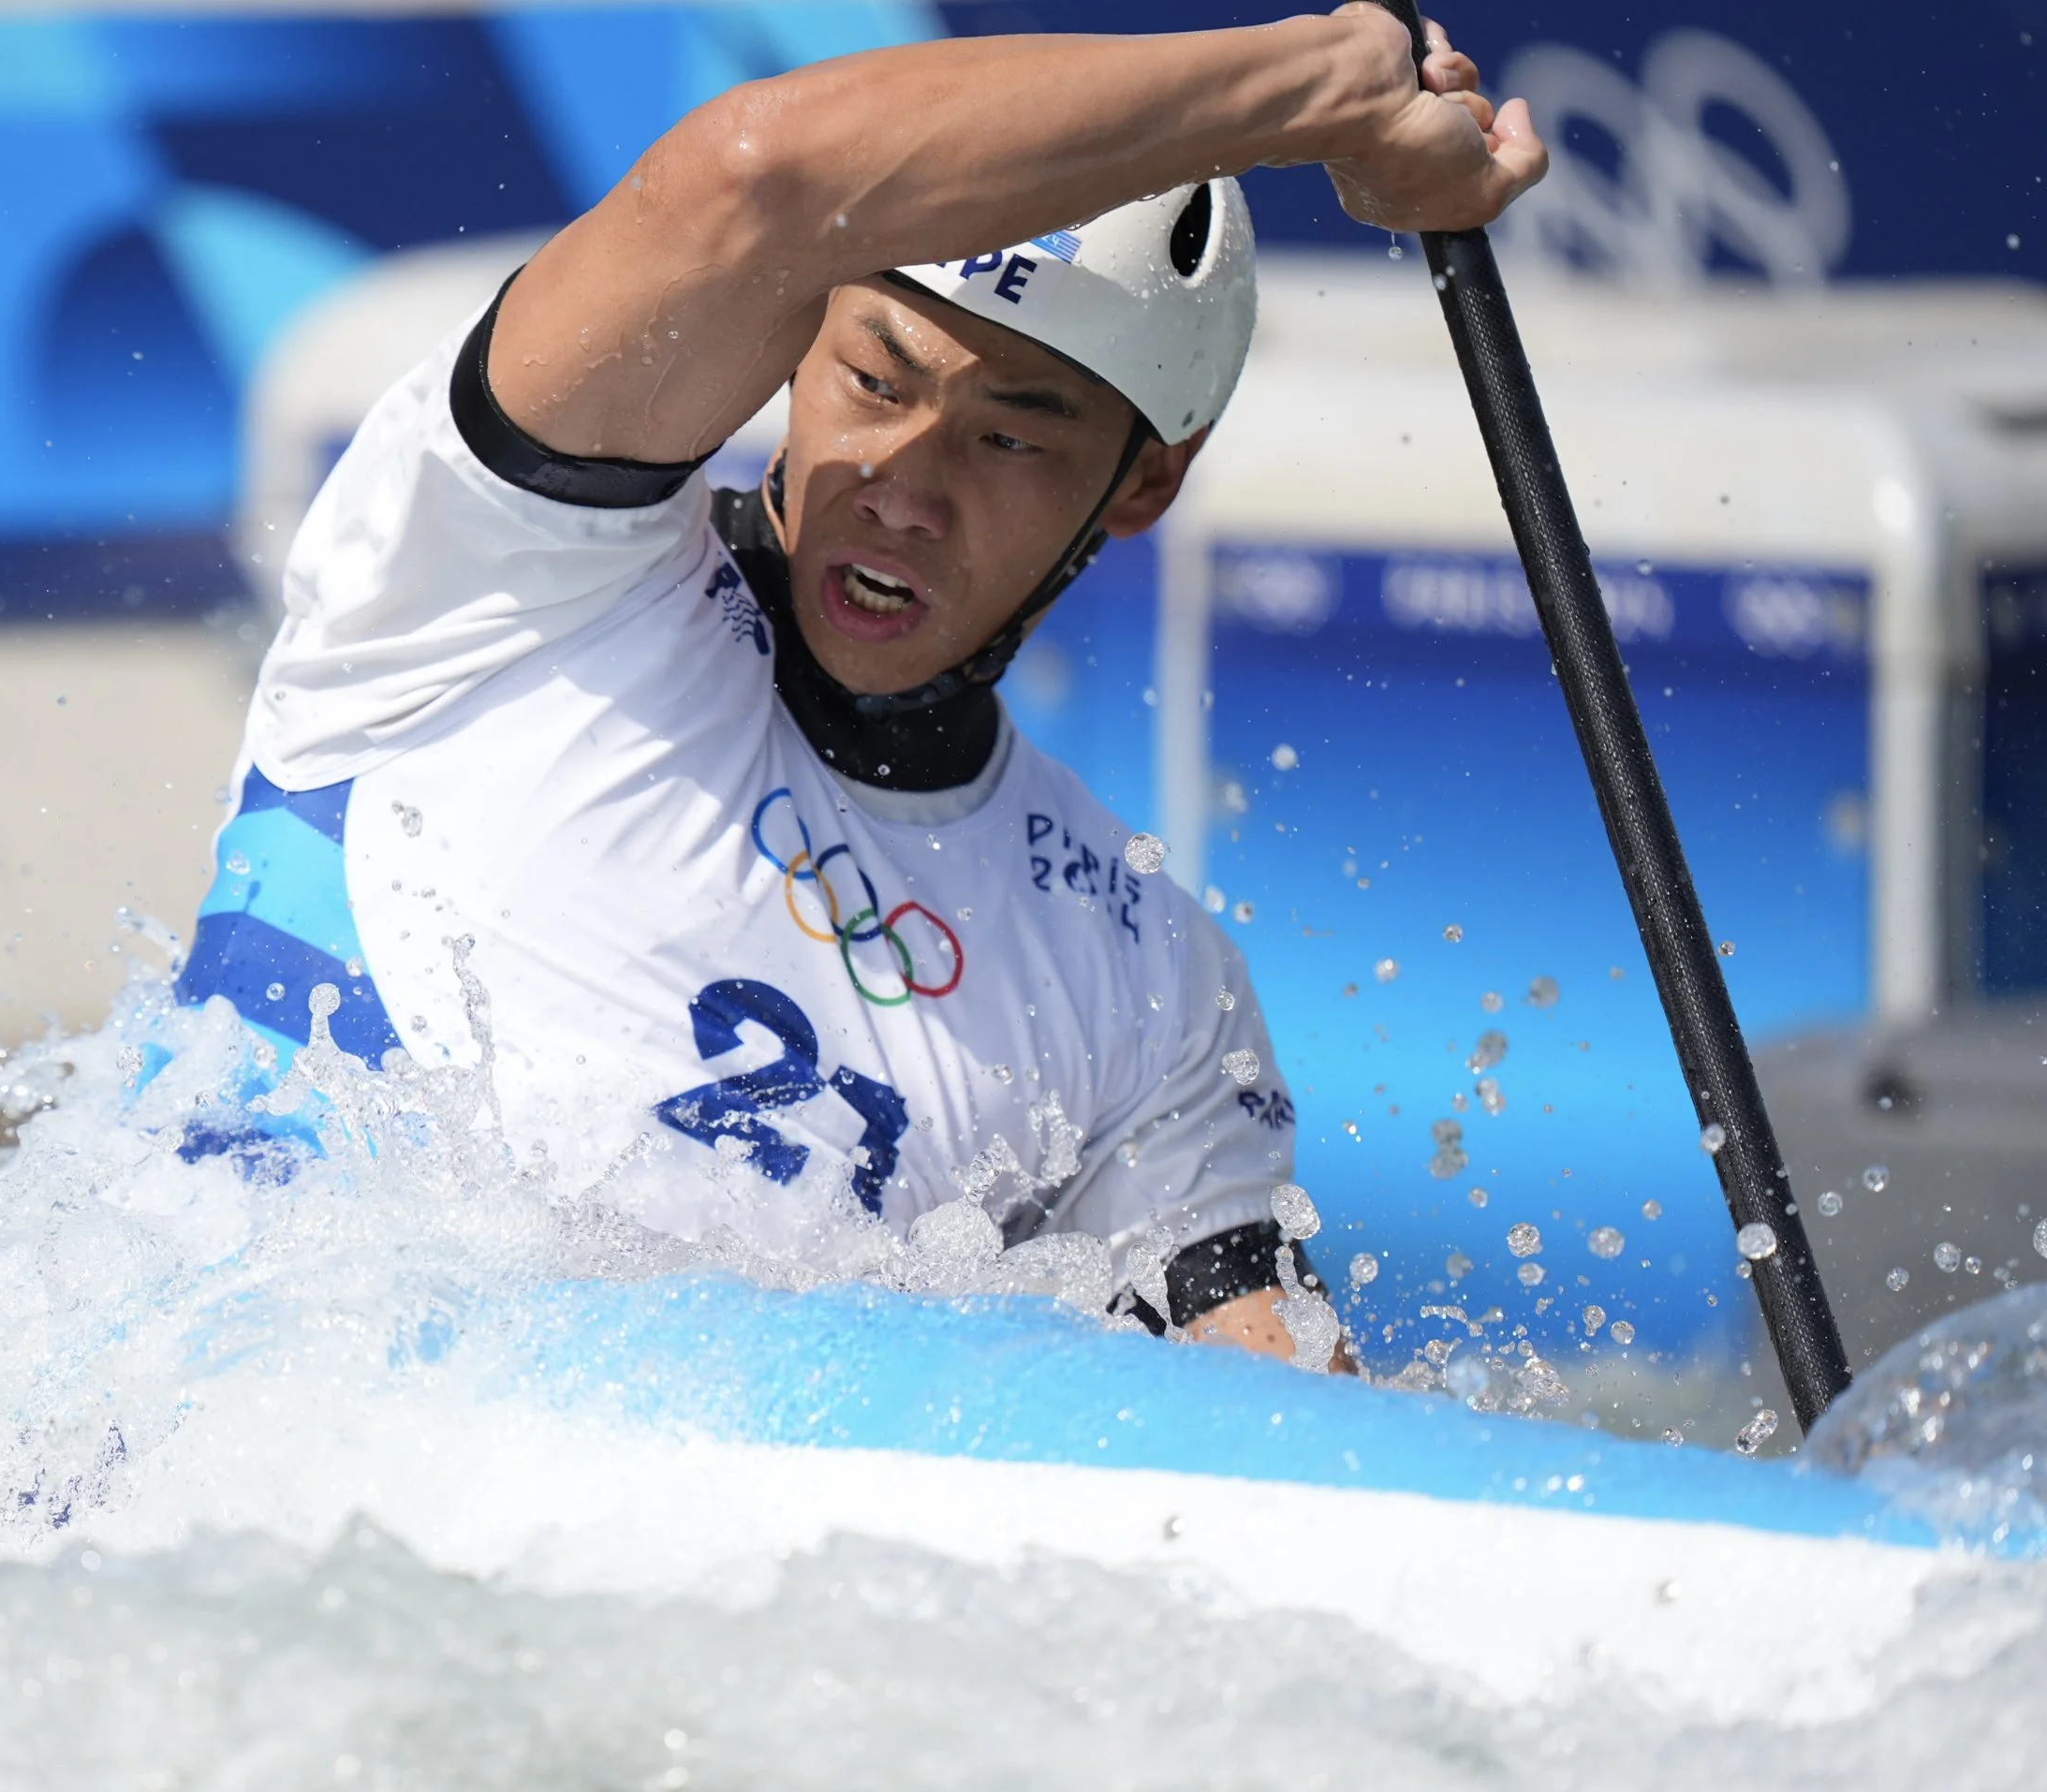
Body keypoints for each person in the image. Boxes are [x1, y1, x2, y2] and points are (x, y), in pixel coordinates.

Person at [178, 7, 1546, 1360]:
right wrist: (1326, 81)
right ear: (792, 342)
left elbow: (1277, 1416)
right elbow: (754, 181)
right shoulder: (503, 568)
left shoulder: (1145, 977)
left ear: (1141, 483)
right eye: (876, 378)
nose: (904, 489)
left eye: (1010, 439)